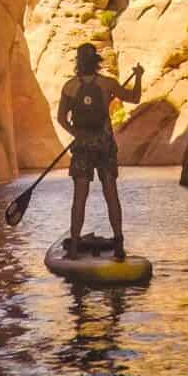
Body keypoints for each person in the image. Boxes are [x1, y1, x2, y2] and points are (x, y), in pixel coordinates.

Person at [57, 43, 143, 257]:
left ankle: (74, 247)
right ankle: (119, 243)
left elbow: (61, 119)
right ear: (96, 62)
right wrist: (139, 76)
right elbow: (134, 98)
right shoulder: (107, 84)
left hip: (82, 146)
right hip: (104, 144)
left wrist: (76, 134)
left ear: (78, 62)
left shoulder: (69, 87)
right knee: (111, 193)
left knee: (80, 197)